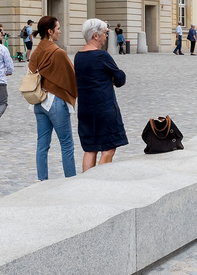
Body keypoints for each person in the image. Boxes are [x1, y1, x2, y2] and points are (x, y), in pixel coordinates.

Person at [74, 19, 128, 172]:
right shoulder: (102, 56)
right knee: (109, 148)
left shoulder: (78, 57)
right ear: (95, 36)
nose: (106, 36)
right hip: (104, 108)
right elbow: (120, 79)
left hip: (85, 109)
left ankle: (85, 184)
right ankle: (99, 181)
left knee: (90, 149)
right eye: (104, 33)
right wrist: (110, 78)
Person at [28, 16, 78, 180]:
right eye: (58, 28)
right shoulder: (58, 53)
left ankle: (42, 181)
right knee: (67, 145)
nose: (60, 31)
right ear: (50, 31)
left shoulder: (36, 53)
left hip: (39, 101)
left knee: (42, 145)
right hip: (55, 102)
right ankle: (71, 181)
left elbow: (31, 74)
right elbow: (71, 77)